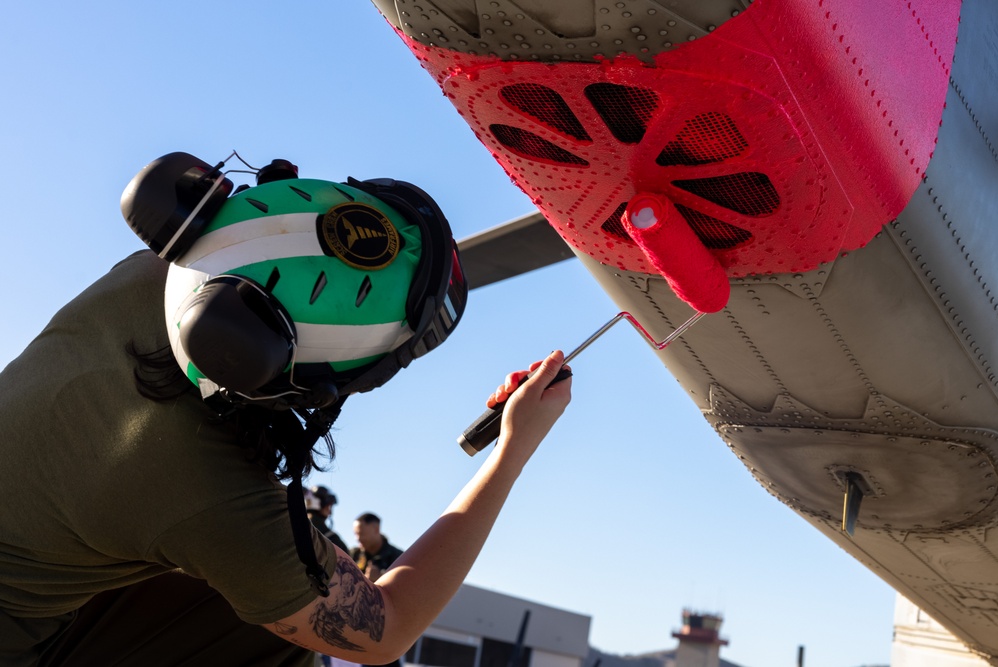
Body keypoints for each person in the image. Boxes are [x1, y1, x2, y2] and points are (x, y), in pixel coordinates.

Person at [0, 153, 573, 667]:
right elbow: (387, 629)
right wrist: (512, 448)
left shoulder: (156, 269)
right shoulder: (204, 490)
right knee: (285, 621)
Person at [351, 514, 404, 583]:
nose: (358, 539)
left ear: (376, 529)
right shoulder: (353, 555)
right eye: (356, 534)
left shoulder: (398, 558)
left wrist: (381, 579)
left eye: (362, 534)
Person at [307, 486, 350, 554]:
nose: (330, 512)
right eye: (329, 506)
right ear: (321, 504)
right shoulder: (332, 539)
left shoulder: (292, 528)